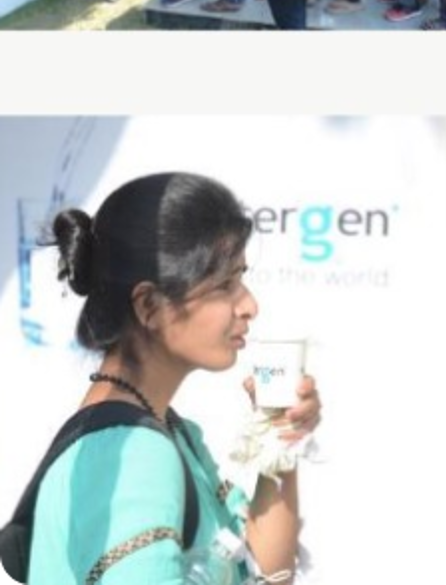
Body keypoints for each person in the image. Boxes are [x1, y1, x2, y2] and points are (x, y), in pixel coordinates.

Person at [29, 172, 322, 584]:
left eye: (242, 278)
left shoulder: (170, 431)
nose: (250, 305)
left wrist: (280, 433)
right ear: (150, 306)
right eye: (224, 285)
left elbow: (266, 570)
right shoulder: (131, 451)